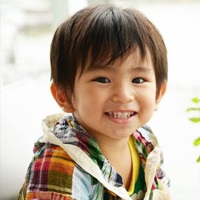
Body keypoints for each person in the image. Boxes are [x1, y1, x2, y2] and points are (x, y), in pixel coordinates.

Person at [19, 4, 171, 200]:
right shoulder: (59, 166)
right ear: (63, 95)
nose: (124, 95)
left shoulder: (146, 142)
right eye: (102, 79)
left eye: (138, 80)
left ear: (159, 92)